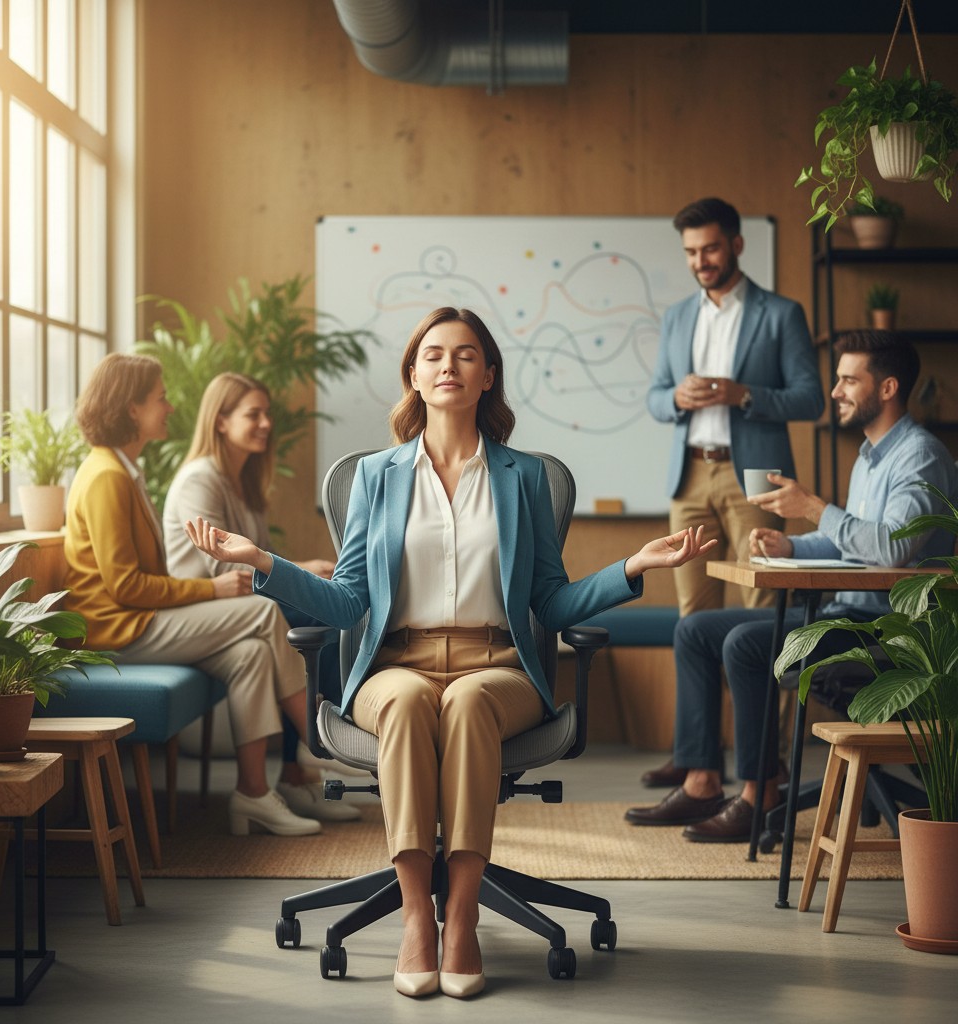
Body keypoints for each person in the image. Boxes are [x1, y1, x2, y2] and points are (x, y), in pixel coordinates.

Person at [184, 306, 715, 999]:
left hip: (497, 667)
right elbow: (346, 603)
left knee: (466, 700)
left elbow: (552, 604)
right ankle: (416, 920)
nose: (448, 366)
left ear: (488, 375)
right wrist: (263, 562)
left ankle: (460, 919)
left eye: (466, 355)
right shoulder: (376, 476)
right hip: (394, 665)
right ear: (413, 374)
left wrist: (633, 566)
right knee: (407, 700)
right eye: (433, 355)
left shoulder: (524, 477)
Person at [627, 330, 958, 842]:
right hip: (847, 614)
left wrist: (814, 508)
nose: (835, 391)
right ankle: (701, 782)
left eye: (848, 380)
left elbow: (891, 548)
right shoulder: (871, 455)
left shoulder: (919, 456)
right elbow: (853, 542)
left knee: (746, 645)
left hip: (887, 629)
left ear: (888, 387)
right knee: (695, 630)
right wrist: (791, 546)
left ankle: (760, 793)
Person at [64, 353, 327, 839]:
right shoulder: (106, 477)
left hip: (136, 622)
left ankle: (253, 794)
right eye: (160, 399)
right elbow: (124, 586)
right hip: (116, 632)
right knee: (263, 614)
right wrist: (211, 588)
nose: (169, 408)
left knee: (250, 654)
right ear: (131, 408)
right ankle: (322, 742)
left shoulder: (122, 471)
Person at [643, 196, 824, 790]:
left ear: (737, 245)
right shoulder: (677, 317)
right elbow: (654, 396)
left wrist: (741, 393)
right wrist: (676, 399)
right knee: (693, 619)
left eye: (712, 248)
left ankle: (764, 763)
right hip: (690, 475)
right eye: (692, 252)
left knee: (763, 617)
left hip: (755, 479)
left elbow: (810, 398)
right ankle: (698, 759)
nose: (702, 261)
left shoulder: (781, 313)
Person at [162, 371, 359, 823]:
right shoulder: (199, 480)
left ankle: (296, 772)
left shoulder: (243, 481)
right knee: (316, 616)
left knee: (313, 611)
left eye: (267, 414)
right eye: (254, 414)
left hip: (240, 602)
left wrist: (300, 570)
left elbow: (256, 556)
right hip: (206, 607)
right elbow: (220, 568)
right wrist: (301, 572)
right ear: (221, 421)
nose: (266, 423)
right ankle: (318, 738)